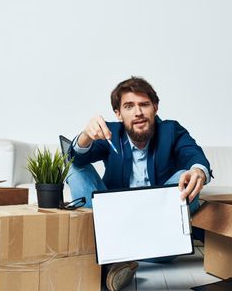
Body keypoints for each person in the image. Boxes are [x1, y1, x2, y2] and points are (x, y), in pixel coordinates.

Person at [66, 76, 211, 291]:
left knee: (185, 175)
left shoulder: (171, 130)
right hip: (116, 226)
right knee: (76, 168)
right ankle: (118, 253)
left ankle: (116, 258)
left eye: (144, 104)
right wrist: (86, 136)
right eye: (129, 106)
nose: (138, 112)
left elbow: (193, 154)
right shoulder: (111, 134)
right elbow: (75, 158)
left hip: (158, 238)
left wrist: (198, 171)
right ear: (118, 113)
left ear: (155, 107)